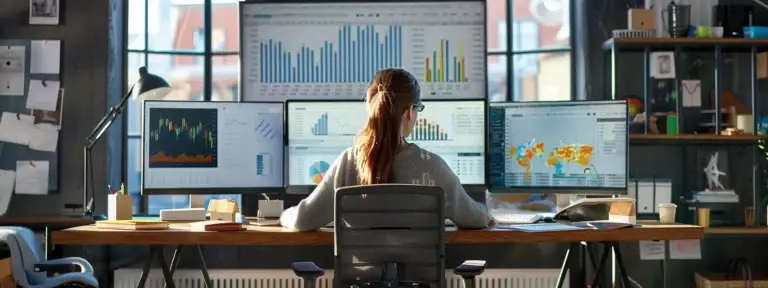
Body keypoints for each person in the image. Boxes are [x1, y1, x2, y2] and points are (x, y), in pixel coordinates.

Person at [280, 68, 493, 231]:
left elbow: (303, 220)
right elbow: (474, 219)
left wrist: (284, 215)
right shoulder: (432, 165)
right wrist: (487, 214)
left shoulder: (347, 162)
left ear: (370, 109)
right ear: (410, 112)